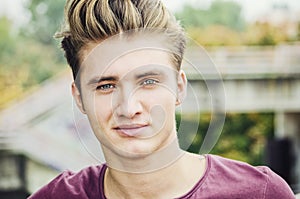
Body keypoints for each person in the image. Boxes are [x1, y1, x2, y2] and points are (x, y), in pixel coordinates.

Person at [28, 0, 295, 198]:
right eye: (106, 86)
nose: (129, 108)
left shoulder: (260, 193)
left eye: (148, 82)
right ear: (79, 98)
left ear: (179, 88)